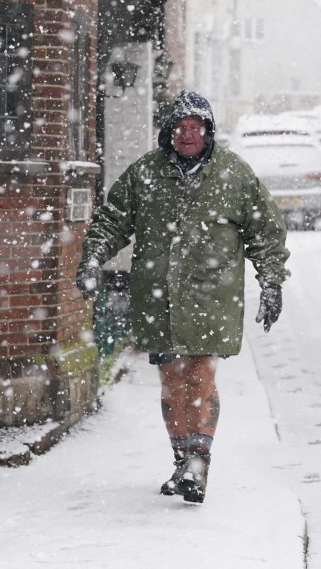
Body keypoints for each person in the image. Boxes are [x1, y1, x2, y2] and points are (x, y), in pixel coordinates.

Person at [75, 90, 290, 503]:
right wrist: (92, 259)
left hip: (213, 297)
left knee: (200, 373)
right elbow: (112, 221)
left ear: (208, 132)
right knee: (172, 379)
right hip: (159, 300)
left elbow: (265, 232)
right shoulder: (145, 174)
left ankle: (198, 462)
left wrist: (272, 282)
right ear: (168, 132)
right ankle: (182, 461)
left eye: (196, 127)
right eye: (180, 126)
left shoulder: (234, 174)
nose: (187, 134)